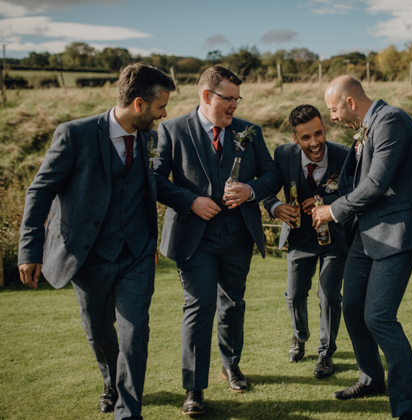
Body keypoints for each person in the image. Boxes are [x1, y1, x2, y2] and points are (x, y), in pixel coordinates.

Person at [18, 63, 175, 420]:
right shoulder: (75, 135)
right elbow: (40, 191)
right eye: (160, 107)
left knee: (134, 333)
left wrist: (192, 200)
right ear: (138, 104)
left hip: (136, 253)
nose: (164, 115)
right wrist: (29, 249)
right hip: (88, 255)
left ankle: (127, 413)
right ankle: (111, 381)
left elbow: (154, 184)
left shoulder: (150, 138)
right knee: (99, 331)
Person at [153, 66, 281, 416]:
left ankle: (231, 365)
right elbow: (155, 180)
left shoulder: (249, 132)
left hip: (238, 235)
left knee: (234, 304)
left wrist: (250, 190)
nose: (235, 106)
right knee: (199, 307)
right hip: (194, 238)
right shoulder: (172, 130)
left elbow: (271, 174)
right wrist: (189, 200)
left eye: (238, 100)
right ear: (207, 96)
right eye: (229, 99)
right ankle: (194, 388)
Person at [311, 76, 412, 420]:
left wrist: (333, 211)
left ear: (349, 102)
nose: (332, 118)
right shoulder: (366, 126)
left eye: (333, 110)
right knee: (352, 309)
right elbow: (355, 181)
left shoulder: (391, 120)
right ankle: (371, 378)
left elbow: (377, 182)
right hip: (366, 233)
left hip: (395, 231)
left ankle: (407, 409)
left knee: (379, 317)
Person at [262, 104, 349, 378]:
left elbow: (356, 193)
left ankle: (325, 353)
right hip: (299, 237)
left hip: (335, 238)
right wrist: (276, 206)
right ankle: (299, 336)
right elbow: (265, 189)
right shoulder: (282, 155)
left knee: (329, 295)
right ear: (294, 138)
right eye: (306, 138)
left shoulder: (345, 155)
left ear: (324, 128)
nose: (315, 143)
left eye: (318, 134)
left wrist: (329, 202)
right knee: (295, 294)